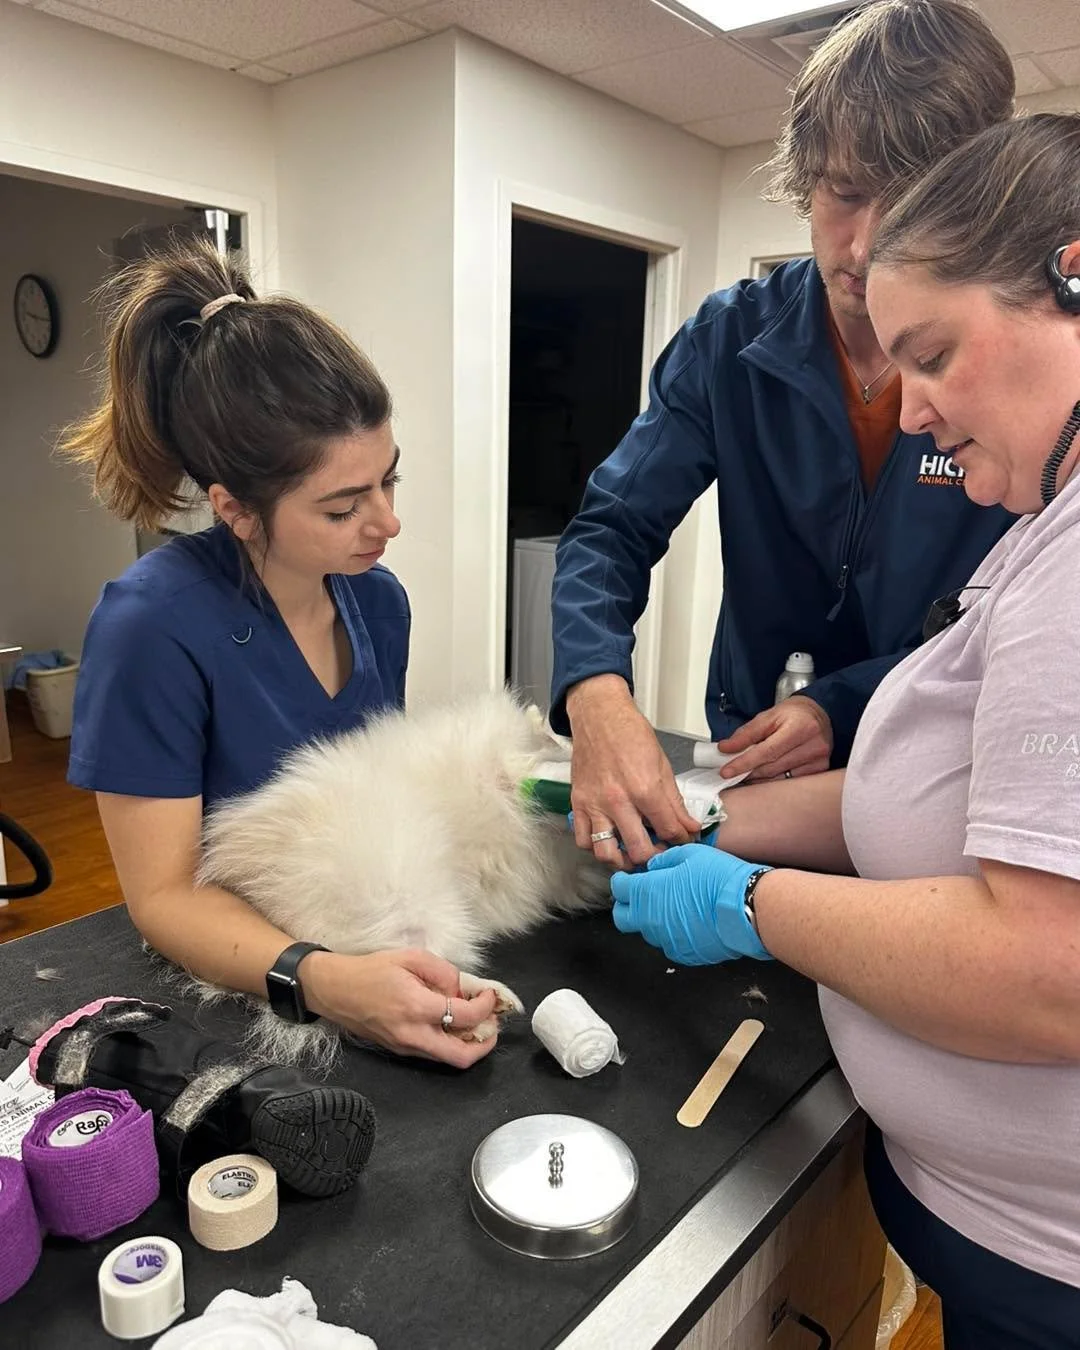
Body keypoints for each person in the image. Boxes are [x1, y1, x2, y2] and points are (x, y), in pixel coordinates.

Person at [609, 113, 1080, 1348]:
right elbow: (954, 784)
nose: (913, 406)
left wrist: (746, 901)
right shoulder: (1045, 516)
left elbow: (1046, 970)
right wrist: (702, 813)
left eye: (932, 353)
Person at [551, 0, 1016, 869]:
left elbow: (997, 622)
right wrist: (595, 692)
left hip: (926, 758)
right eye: (845, 192)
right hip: (754, 743)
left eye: (912, 201)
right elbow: (611, 529)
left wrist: (836, 705)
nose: (868, 243)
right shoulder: (728, 341)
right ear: (806, 179)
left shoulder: (1005, 368)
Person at [62, 237, 498, 1069]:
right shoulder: (151, 628)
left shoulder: (379, 603)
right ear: (236, 509)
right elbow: (163, 896)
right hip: (236, 994)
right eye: (342, 508)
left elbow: (373, 810)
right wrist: (325, 981)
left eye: (389, 481)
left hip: (365, 950)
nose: (387, 524)